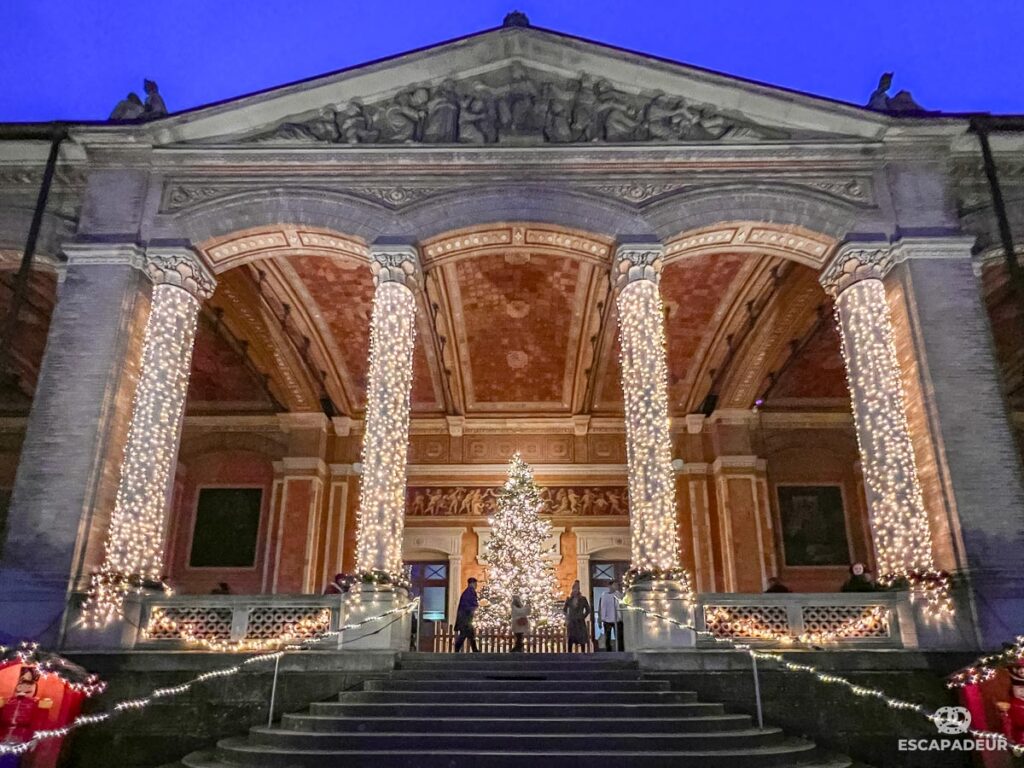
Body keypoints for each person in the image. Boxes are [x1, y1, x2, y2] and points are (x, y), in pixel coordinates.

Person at [563, 580, 591, 653]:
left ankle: (583, 652)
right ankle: (569, 653)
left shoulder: (583, 599)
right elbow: (564, 610)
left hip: (580, 621)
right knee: (571, 638)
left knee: (581, 638)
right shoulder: (569, 599)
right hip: (572, 621)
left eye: (577, 589)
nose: (575, 590)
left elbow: (588, 610)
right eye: (574, 589)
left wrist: (583, 616)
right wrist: (568, 617)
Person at [454, 577, 479, 653]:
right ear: (472, 583)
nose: (476, 585)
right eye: (475, 584)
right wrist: (475, 607)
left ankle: (474, 650)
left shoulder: (467, 592)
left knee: (470, 634)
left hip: (465, 618)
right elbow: (470, 604)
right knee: (464, 634)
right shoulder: (470, 592)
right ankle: (457, 648)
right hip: (466, 618)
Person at [598, 581, 624, 652]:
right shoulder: (604, 596)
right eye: (614, 585)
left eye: (616, 585)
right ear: (610, 586)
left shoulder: (619, 595)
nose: (616, 586)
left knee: (619, 637)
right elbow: (601, 607)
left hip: (617, 619)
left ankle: (620, 651)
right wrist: (601, 618)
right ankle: (608, 651)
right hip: (607, 620)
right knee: (607, 637)